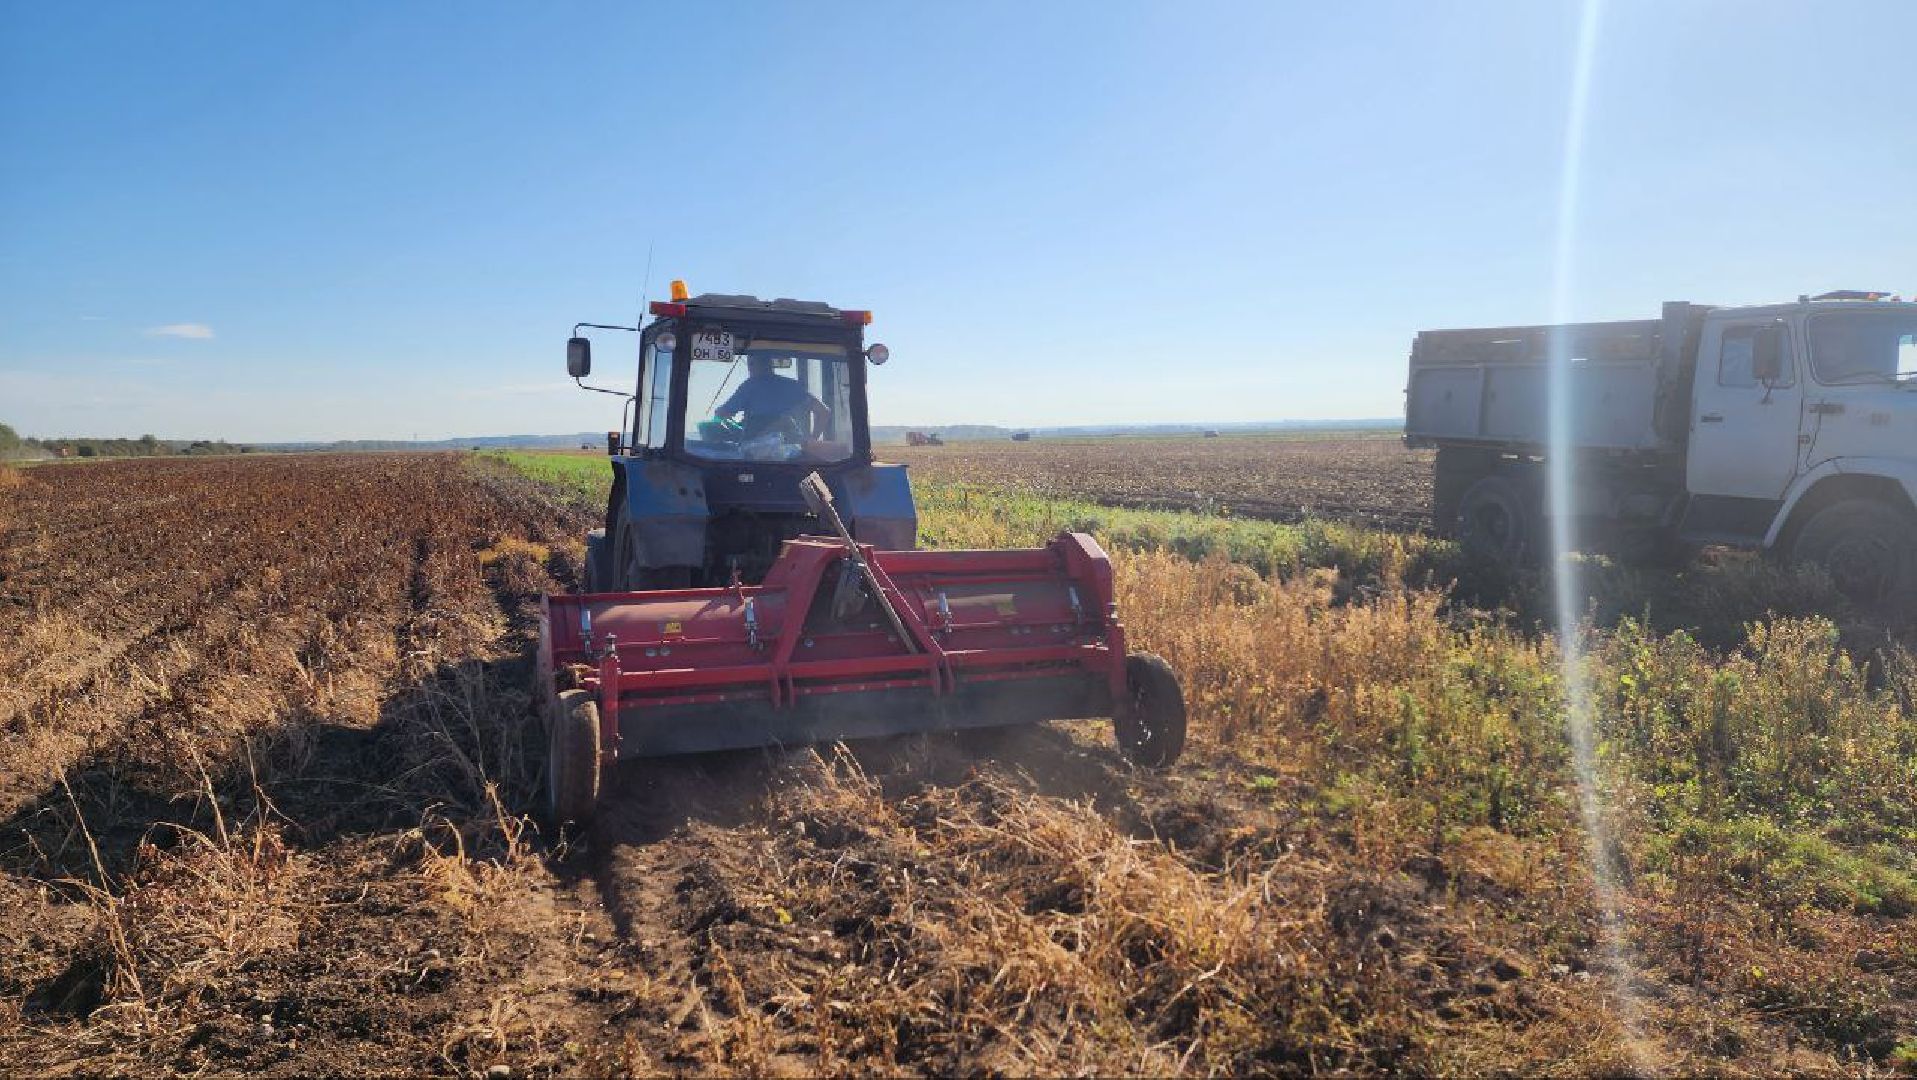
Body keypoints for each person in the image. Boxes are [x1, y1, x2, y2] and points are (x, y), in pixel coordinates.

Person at [714, 355, 830, 438]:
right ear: (770, 364)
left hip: (756, 455)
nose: (750, 368)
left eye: (751, 363)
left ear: (754, 364)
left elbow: (722, 413)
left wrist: (723, 413)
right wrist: (812, 440)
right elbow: (824, 412)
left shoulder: (750, 386)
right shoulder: (792, 386)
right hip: (793, 455)